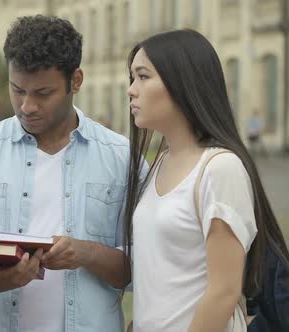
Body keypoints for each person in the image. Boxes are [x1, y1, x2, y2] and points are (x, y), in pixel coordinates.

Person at [0, 15, 131, 332]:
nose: (27, 106)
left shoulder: (122, 157)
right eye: (17, 90)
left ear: (76, 81)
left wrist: (86, 252)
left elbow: (142, 265)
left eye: (43, 93)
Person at [123, 29, 289, 332]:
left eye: (143, 77)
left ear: (182, 83)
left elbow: (223, 293)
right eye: (132, 78)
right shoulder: (159, 164)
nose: (132, 90)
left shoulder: (219, 168)